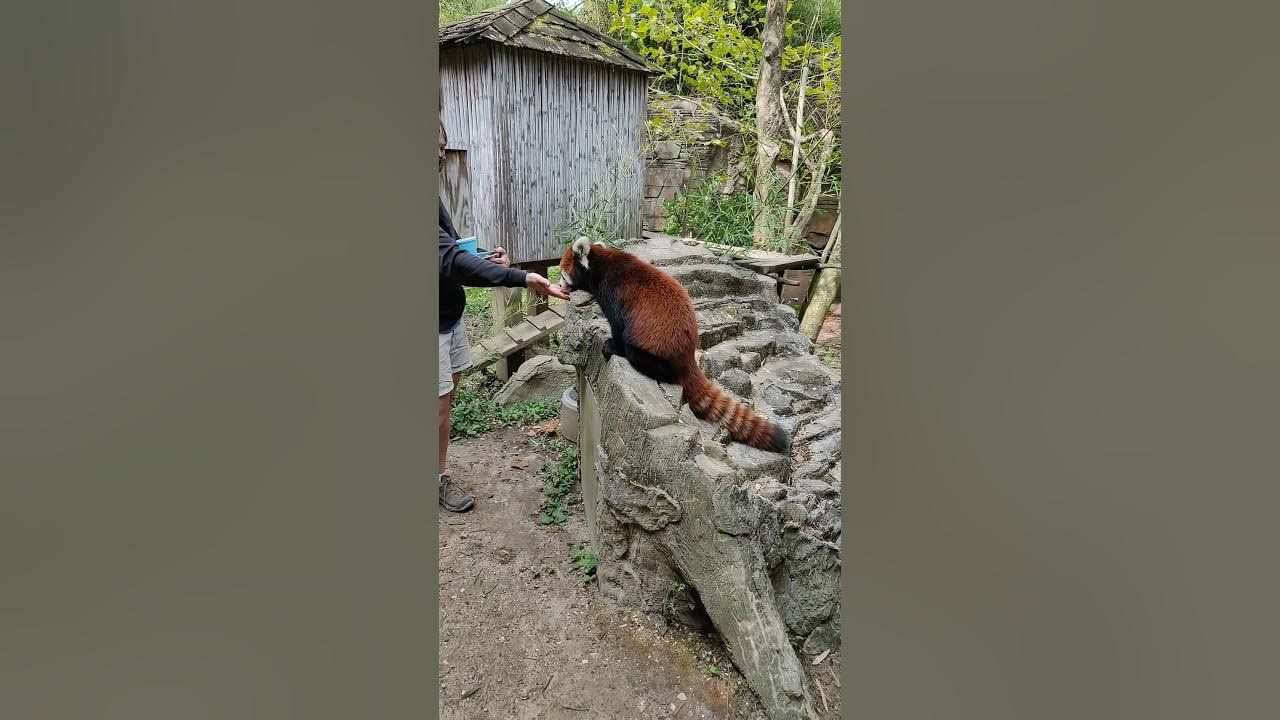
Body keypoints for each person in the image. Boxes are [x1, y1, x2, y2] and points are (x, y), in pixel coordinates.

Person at [438, 113, 569, 513]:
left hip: (449, 316)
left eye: (442, 150)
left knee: (446, 401)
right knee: (438, 407)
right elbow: (447, 259)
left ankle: (436, 471)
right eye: (432, 150)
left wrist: (481, 257)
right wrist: (520, 277)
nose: (440, 158)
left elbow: (450, 252)